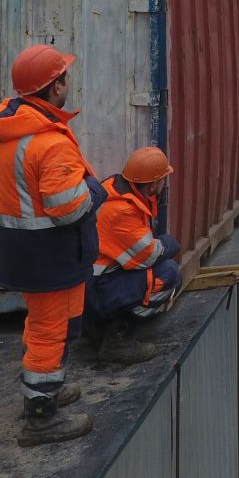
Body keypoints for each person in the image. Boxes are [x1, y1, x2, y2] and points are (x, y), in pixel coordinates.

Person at [0, 44, 107, 446]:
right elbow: (67, 208)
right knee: (50, 330)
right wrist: (96, 192)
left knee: (54, 324)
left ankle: (45, 390)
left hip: (24, 249)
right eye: (64, 77)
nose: (68, 83)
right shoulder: (48, 142)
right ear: (55, 87)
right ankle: (40, 416)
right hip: (49, 251)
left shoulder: (3, 130)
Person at [87, 147, 182, 357]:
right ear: (152, 185)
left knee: (156, 271)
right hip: (95, 290)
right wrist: (170, 243)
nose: (164, 184)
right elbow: (149, 255)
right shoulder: (123, 211)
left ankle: (98, 328)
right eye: (162, 180)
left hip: (89, 285)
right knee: (168, 274)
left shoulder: (115, 189)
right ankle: (117, 338)